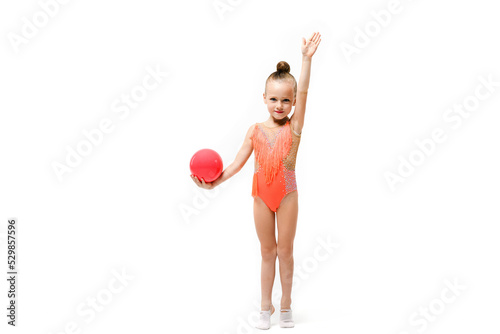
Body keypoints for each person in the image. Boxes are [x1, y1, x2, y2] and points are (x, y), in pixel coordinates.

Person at [191, 32, 321, 329]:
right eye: (273, 99)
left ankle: (286, 306)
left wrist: (305, 59)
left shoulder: (295, 127)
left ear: (292, 103)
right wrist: (213, 183)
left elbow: (305, 92)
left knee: (285, 251)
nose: (279, 105)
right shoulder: (254, 130)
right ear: (264, 98)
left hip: (287, 195)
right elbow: (236, 164)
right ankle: (266, 306)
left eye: (286, 100)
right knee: (267, 252)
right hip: (261, 196)